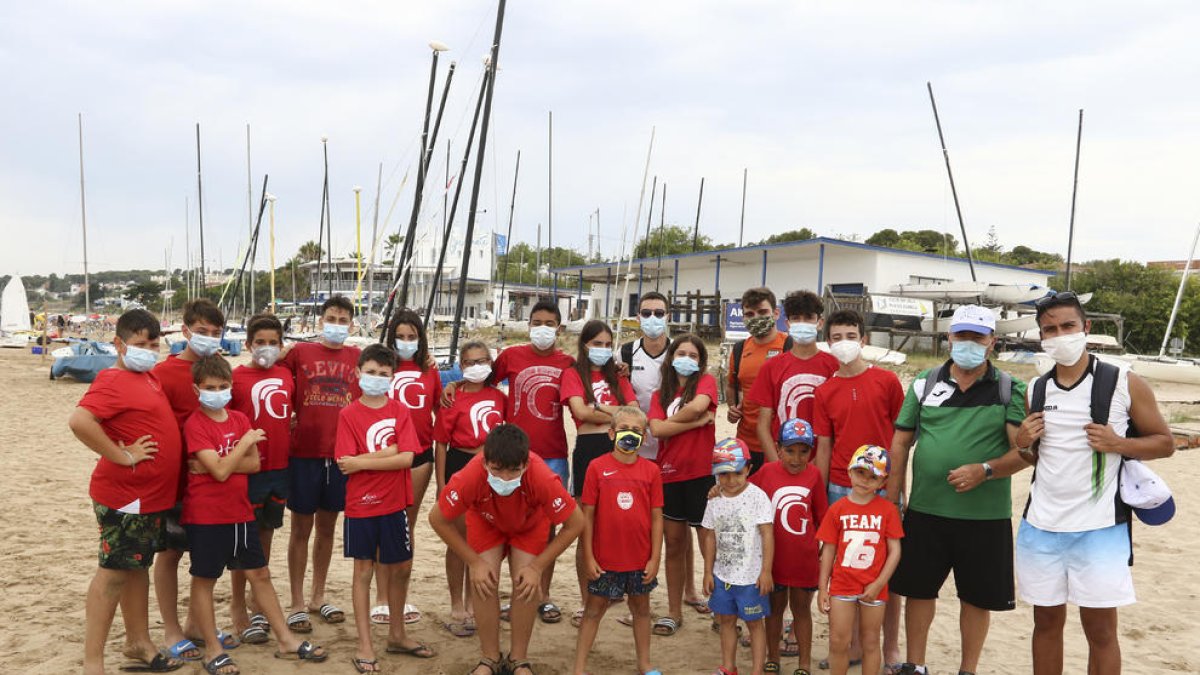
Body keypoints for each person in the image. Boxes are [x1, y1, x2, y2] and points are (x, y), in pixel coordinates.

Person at [1014, 292, 1174, 675]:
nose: (1059, 335)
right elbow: (1036, 458)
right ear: (1041, 337)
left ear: (1086, 328)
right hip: (1041, 527)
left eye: (1068, 326)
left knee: (1101, 630)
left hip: (1100, 529)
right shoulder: (1036, 388)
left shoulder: (1124, 381)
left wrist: (1118, 443)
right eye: (1049, 330)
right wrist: (1022, 445)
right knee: (1046, 624)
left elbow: (1165, 443)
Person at [887, 305, 1028, 675]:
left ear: (992, 342)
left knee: (977, 598)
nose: (968, 343)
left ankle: (968, 669)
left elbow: (1024, 453)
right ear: (949, 338)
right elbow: (900, 443)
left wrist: (985, 470)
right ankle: (914, 665)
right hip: (925, 510)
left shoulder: (1010, 388)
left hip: (985, 516)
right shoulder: (924, 382)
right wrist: (892, 499)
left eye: (977, 337)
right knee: (918, 591)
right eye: (961, 335)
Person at [183, 356, 328, 674]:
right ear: (197, 390)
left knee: (259, 574)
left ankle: (286, 639)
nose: (217, 392)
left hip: (240, 512)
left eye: (223, 387)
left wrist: (221, 463)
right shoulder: (196, 424)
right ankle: (213, 648)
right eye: (210, 388)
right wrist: (243, 446)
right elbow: (222, 471)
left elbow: (253, 465)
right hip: (207, 515)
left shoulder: (238, 419)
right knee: (205, 579)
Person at [69, 308, 186, 675]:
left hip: (149, 497)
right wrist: (120, 454)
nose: (149, 350)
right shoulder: (112, 379)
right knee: (114, 572)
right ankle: (93, 663)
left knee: (137, 569)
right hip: (125, 497)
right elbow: (80, 420)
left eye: (154, 344)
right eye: (140, 344)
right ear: (119, 344)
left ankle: (138, 642)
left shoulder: (149, 376)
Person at [445, 298, 576, 623]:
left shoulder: (569, 362)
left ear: (559, 328)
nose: (542, 329)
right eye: (536, 322)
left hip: (554, 452)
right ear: (528, 325)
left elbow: (593, 382)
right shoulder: (512, 356)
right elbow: (482, 380)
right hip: (513, 455)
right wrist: (455, 383)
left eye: (549, 323)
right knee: (506, 523)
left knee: (548, 526)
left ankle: (542, 595)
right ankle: (502, 593)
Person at [429, 424, 585, 675]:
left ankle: (518, 659)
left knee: (526, 582)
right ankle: (489, 658)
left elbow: (576, 523)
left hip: (529, 525)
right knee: (483, 579)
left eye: (514, 471)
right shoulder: (471, 474)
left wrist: (537, 567)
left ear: (525, 464)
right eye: (496, 469)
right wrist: (474, 562)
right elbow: (437, 519)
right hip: (486, 520)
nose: (504, 478)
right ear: (485, 462)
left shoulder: (542, 476)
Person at [812, 308, 905, 671]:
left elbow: (902, 439)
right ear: (829, 342)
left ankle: (889, 647)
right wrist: (820, 496)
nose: (844, 343)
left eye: (851, 336)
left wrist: (895, 490)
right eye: (836, 337)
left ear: (863, 340)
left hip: (882, 486)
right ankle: (850, 646)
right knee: (843, 565)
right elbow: (823, 445)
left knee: (884, 568)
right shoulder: (825, 391)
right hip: (839, 484)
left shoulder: (887, 381)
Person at [335, 344, 434, 672]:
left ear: (393, 377)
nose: (376, 378)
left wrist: (365, 460)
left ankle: (397, 633)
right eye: (371, 372)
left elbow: (407, 458)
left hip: (395, 504)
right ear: (358, 372)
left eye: (383, 374)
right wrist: (387, 453)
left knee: (401, 567)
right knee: (363, 572)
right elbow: (345, 465)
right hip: (361, 505)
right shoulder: (348, 414)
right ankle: (365, 644)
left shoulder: (399, 410)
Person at [617, 291, 711, 618]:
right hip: (639, 448)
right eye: (647, 312)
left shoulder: (679, 351)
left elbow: (697, 397)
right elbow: (617, 390)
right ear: (638, 315)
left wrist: (669, 426)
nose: (653, 318)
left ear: (668, 315)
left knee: (681, 527)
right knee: (649, 525)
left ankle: (689, 591)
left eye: (659, 312)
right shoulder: (626, 351)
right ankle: (635, 591)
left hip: (679, 454)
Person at [151, 298, 233, 657]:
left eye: (216, 333)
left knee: (205, 558)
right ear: (185, 332)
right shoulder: (163, 373)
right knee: (169, 554)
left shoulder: (220, 370)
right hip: (175, 482)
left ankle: (197, 624)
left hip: (210, 484)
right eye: (202, 332)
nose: (209, 338)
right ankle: (171, 630)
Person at [281, 295, 361, 632]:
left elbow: (394, 371)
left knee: (328, 528)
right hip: (304, 453)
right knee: (301, 528)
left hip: (341, 455)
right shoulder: (300, 353)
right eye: (332, 318)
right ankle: (297, 601)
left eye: (343, 320)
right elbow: (272, 379)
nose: (337, 325)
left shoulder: (358, 356)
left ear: (352, 325)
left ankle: (318, 595)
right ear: (319, 321)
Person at [572, 406, 664, 675]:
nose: (630, 435)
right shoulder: (596, 468)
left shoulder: (651, 471)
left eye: (637, 431)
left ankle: (644, 664)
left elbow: (657, 518)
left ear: (645, 437)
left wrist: (655, 558)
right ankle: (579, 668)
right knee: (593, 610)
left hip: (639, 560)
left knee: (641, 609)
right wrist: (588, 557)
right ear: (611, 433)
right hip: (605, 560)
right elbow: (586, 517)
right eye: (624, 429)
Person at [561, 319, 637, 625]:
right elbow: (579, 413)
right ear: (584, 345)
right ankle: (584, 599)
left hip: (621, 448)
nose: (602, 350)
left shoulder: (617, 376)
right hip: (589, 450)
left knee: (623, 521)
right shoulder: (573, 374)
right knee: (587, 526)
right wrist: (617, 413)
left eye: (608, 345)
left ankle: (622, 591)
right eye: (597, 344)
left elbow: (635, 414)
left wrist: (602, 409)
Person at [227, 313, 294, 645]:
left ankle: (257, 599)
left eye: (273, 343)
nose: (266, 348)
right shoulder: (236, 377)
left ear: (282, 345)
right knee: (244, 540)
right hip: (249, 471)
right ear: (248, 344)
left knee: (266, 535)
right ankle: (237, 604)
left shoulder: (286, 373)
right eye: (260, 343)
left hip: (280, 469)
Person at [434, 340, 507, 638]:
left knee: (483, 540)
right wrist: (441, 484)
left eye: (483, 360)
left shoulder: (499, 397)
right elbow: (441, 443)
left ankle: (474, 601)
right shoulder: (453, 398)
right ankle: (456, 603)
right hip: (460, 466)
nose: (477, 366)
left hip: (492, 470)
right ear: (461, 366)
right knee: (458, 540)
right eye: (470, 361)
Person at [647, 334, 719, 637]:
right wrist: (695, 423)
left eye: (693, 354)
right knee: (674, 546)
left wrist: (675, 422)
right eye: (681, 352)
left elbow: (698, 405)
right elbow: (657, 430)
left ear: (700, 360)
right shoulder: (658, 395)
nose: (686, 358)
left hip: (701, 474)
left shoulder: (706, 382)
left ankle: (720, 610)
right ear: (671, 356)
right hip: (669, 475)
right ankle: (673, 611)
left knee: (710, 547)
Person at [379, 308, 443, 626]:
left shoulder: (429, 370)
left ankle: (399, 596)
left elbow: (441, 406)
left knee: (406, 525)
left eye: (412, 337)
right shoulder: (381, 366)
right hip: (384, 455)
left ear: (420, 338)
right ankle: (380, 597)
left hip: (419, 456)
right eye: (400, 337)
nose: (406, 342)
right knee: (383, 524)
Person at [750, 418, 828, 675]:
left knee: (801, 610)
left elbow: (821, 516)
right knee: (774, 610)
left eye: (804, 451)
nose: (796, 458)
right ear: (778, 447)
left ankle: (804, 663)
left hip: (804, 559)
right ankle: (773, 656)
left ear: (811, 452)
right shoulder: (767, 472)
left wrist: (820, 551)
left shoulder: (814, 475)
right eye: (790, 450)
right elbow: (745, 494)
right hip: (773, 560)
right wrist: (719, 490)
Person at [817, 445, 903, 675]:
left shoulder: (887, 511)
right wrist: (822, 587)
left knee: (871, 642)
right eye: (861, 472)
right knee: (837, 641)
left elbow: (895, 551)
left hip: (874, 585)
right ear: (849, 471)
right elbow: (828, 550)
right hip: (842, 584)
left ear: (882, 481)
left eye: (873, 476)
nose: (865, 480)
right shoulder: (837, 509)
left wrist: (879, 583)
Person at [701, 438, 775, 675]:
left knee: (755, 624)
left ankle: (756, 671)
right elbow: (710, 536)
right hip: (723, 576)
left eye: (737, 473)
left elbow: (767, 535)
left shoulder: (758, 497)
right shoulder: (714, 500)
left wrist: (766, 571)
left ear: (748, 469)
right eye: (724, 475)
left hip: (751, 578)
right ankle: (728, 666)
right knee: (726, 621)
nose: (730, 481)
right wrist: (707, 572)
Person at [747, 290, 838, 467]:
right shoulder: (771, 367)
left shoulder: (834, 366)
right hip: (780, 462)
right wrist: (777, 465)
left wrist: (820, 466)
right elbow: (763, 426)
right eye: (796, 318)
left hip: (821, 465)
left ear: (820, 323)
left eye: (809, 317)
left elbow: (836, 425)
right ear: (788, 323)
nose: (802, 323)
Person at [726, 287, 790, 474]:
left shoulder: (789, 346)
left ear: (776, 313)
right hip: (746, 443)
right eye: (750, 314)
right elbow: (731, 385)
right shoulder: (739, 350)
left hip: (780, 444)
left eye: (763, 312)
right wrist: (733, 408)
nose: (756, 318)